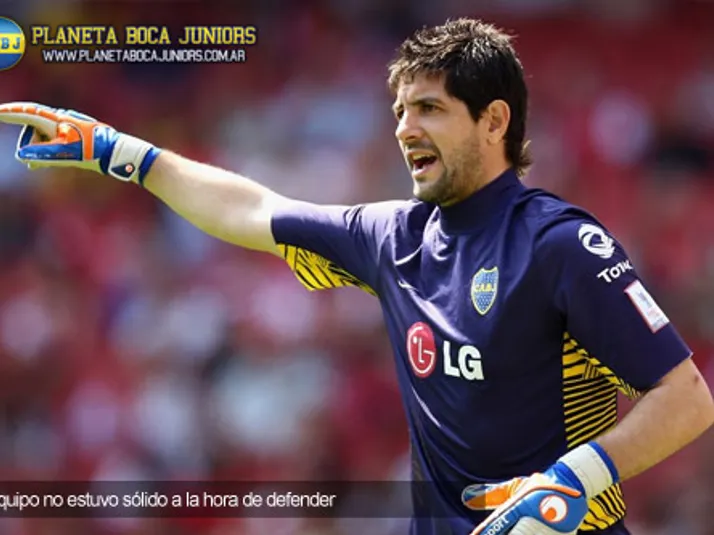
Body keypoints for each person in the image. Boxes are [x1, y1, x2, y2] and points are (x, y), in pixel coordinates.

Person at [1, 17, 712, 535]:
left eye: (429, 109)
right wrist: (120, 152)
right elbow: (251, 209)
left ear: (495, 121)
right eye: (400, 110)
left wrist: (571, 483)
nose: (404, 128)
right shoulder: (393, 236)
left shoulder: (561, 244)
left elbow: (685, 398)